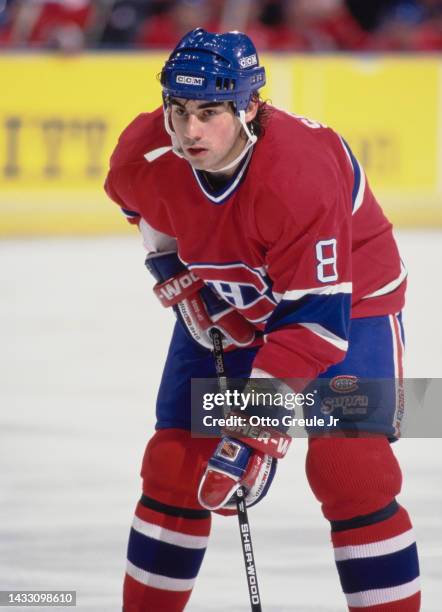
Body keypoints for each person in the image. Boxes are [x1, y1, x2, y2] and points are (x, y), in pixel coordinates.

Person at [104, 28, 420, 611]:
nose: (188, 131)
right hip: (232, 299)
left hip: (350, 305)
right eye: (177, 110)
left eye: (208, 111)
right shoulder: (146, 150)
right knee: (177, 463)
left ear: (249, 106)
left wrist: (253, 427)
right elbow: (135, 202)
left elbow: (315, 326)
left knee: (350, 466)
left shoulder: (298, 173)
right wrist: (173, 266)